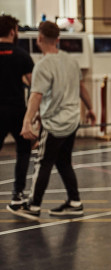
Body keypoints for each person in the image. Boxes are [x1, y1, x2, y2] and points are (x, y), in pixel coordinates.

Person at [8, 21, 96, 220]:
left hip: (55, 124)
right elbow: (81, 88)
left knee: (43, 163)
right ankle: (75, 203)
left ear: (39, 38)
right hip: (73, 121)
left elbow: (36, 95)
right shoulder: (71, 61)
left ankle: (34, 205)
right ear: (58, 39)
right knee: (64, 162)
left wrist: (26, 122)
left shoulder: (43, 65)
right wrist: (90, 109)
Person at [0, 15, 33, 207]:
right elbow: (33, 84)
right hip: (16, 110)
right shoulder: (21, 55)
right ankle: (17, 193)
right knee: (23, 152)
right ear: (13, 31)